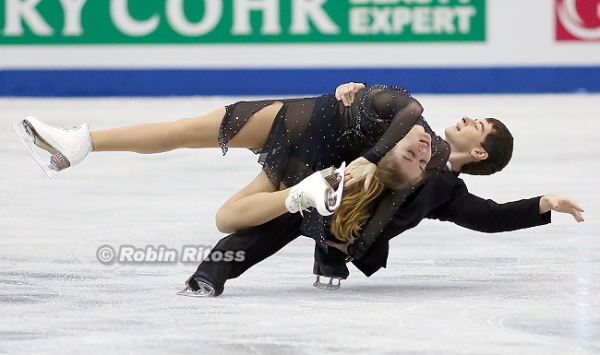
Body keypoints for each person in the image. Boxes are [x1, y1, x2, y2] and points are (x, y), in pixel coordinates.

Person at [181, 83, 584, 297]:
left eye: (477, 125)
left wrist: (544, 204)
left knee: (318, 212)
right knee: (291, 211)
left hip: (356, 229)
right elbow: (365, 122)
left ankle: (331, 253)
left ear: (479, 152)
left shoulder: (447, 190)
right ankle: (212, 273)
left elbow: (491, 217)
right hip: (333, 185)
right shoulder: (417, 134)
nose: (466, 117)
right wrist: (351, 93)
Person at [14, 83, 447, 250]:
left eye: (477, 128)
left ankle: (82, 143)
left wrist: (372, 162)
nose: (423, 147)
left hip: (308, 121)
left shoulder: (412, 128)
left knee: (184, 130)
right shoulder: (432, 147)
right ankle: (298, 194)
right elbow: (428, 139)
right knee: (224, 211)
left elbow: (413, 109)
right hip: (314, 149)